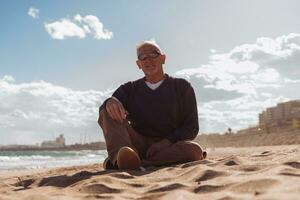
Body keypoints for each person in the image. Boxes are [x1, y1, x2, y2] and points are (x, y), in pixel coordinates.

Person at [98, 40, 206, 170]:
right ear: (139, 64)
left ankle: (133, 163)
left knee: (194, 151)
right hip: (137, 145)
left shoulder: (182, 87)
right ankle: (120, 157)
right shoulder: (129, 89)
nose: (148, 60)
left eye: (154, 54)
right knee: (107, 109)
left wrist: (165, 143)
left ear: (163, 58)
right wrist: (110, 101)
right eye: (142, 57)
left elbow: (191, 127)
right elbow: (107, 110)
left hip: (168, 147)